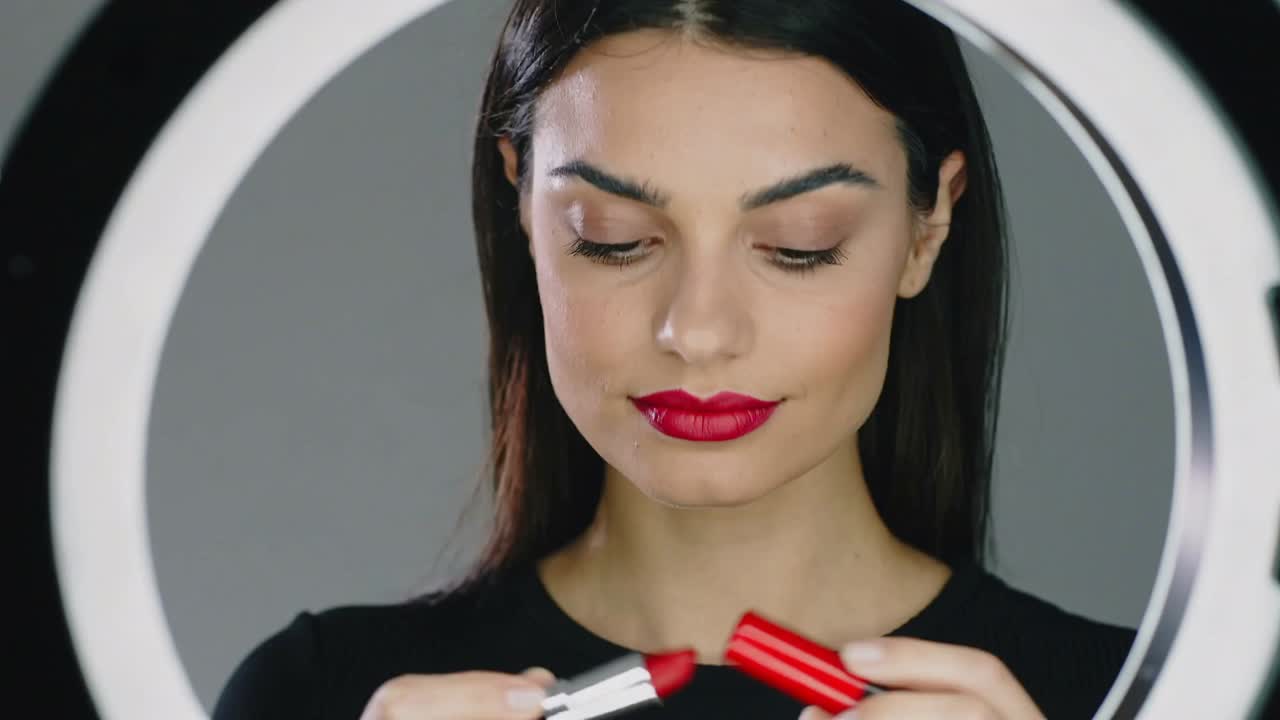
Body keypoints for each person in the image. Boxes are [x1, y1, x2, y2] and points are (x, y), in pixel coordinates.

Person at [212, 1, 1136, 718]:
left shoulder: (1130, 691)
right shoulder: (318, 695)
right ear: (523, 207)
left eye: (800, 245)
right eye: (612, 238)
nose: (697, 331)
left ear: (927, 226)